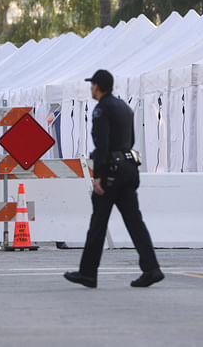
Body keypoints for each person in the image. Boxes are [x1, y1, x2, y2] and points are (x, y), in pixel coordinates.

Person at [64, 69, 164, 289]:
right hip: (128, 167)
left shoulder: (102, 109)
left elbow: (103, 145)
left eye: (92, 85)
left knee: (98, 223)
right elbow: (130, 140)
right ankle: (151, 268)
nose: (91, 88)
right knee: (135, 222)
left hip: (111, 171)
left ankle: (88, 273)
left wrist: (98, 176)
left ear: (98, 86)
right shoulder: (124, 108)